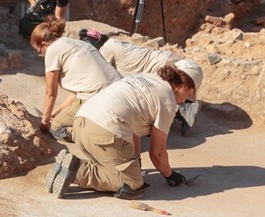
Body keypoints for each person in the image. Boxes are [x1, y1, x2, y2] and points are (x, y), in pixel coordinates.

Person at [45, 60, 197, 200]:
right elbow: (157, 153)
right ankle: (78, 170)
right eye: (188, 95)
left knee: (121, 169)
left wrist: (135, 162)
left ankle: (70, 167)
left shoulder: (146, 78)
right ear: (183, 86)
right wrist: (170, 175)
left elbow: (134, 129)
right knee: (133, 185)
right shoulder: (167, 99)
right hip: (104, 132)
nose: (184, 101)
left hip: (80, 124)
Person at [79, 28, 203, 136]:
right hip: (169, 60)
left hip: (160, 65)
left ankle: (186, 109)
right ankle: (185, 104)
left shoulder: (105, 51)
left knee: (159, 96)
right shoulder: (113, 43)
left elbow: (103, 78)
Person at [31, 18, 121, 142]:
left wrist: (45, 122)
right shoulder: (78, 43)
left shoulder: (52, 50)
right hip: (120, 89)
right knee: (63, 116)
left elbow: (50, 94)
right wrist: (56, 112)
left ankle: (98, 135)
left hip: (98, 96)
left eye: (39, 52)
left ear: (44, 44)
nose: (42, 55)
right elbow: (77, 92)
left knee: (56, 127)